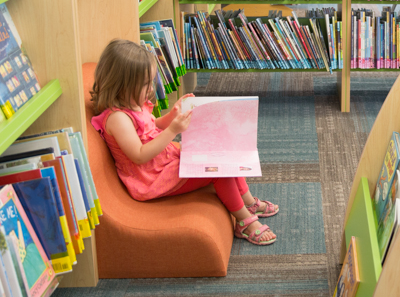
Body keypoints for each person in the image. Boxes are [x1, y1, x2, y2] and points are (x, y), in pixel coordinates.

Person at [90, 39, 279, 246]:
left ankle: (248, 202)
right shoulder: (118, 118)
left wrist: (173, 115)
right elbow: (139, 155)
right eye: (144, 84)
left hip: (163, 162)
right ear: (122, 85)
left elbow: (153, 126)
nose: (150, 88)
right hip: (151, 177)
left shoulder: (133, 104)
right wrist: (173, 130)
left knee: (221, 149)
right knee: (217, 170)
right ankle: (244, 221)